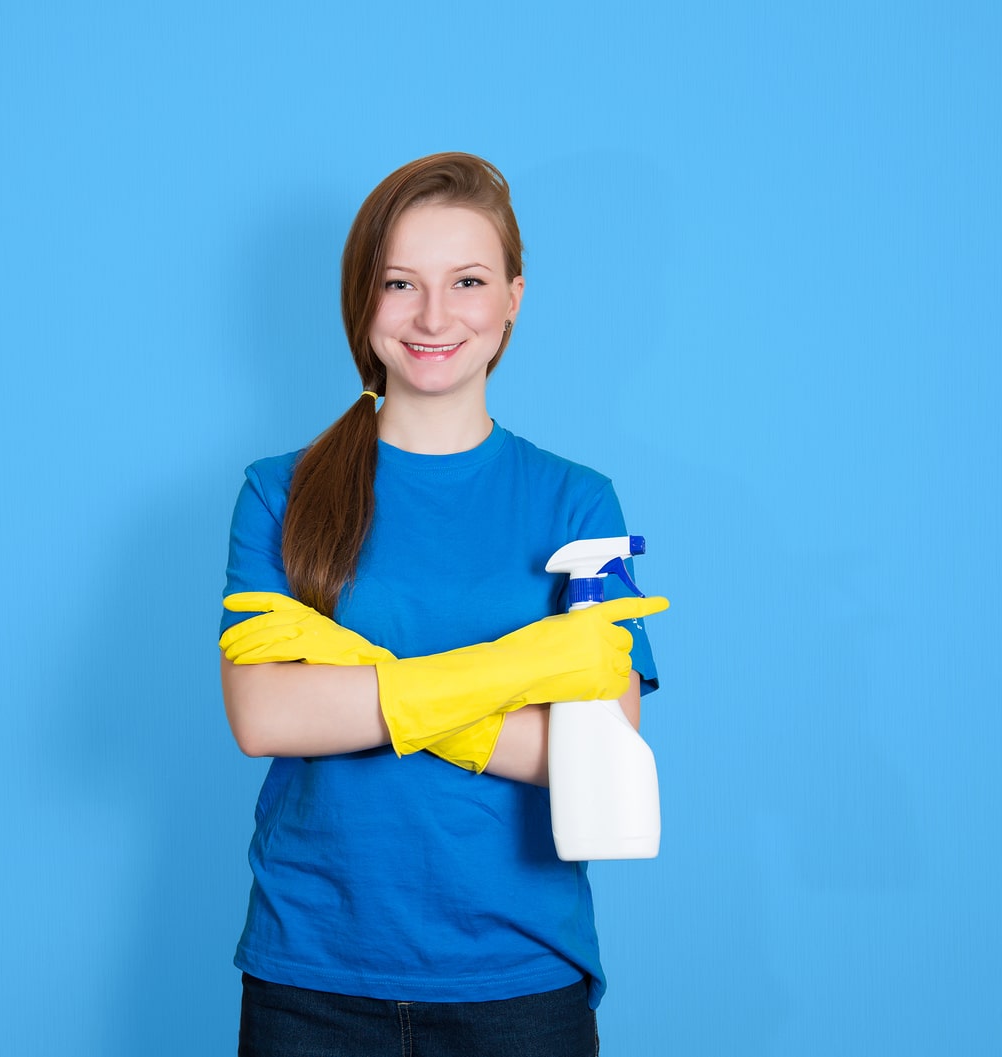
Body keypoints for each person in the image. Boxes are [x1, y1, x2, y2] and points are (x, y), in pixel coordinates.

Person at [217, 152, 669, 1057]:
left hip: (520, 980)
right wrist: (523, 669)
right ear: (363, 301)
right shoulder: (280, 494)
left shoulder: (578, 504)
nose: (433, 315)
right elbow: (265, 714)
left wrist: (353, 679)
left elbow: (597, 754)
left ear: (512, 298)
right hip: (312, 973)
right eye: (399, 283)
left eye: (467, 280)